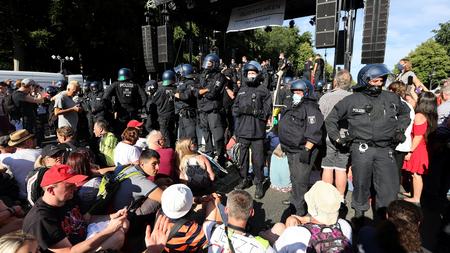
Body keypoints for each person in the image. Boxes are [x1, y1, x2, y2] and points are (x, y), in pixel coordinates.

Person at [325, 64, 411, 217]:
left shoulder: (391, 97)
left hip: (386, 150)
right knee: (361, 185)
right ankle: (359, 218)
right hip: (361, 149)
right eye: (374, 81)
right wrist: (338, 138)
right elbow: (331, 118)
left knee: (389, 189)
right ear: (365, 80)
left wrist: (399, 129)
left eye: (381, 81)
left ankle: (385, 221)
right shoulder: (352, 100)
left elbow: (406, 113)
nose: (379, 84)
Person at [22, 164, 129, 252]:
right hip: (74, 249)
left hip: (85, 237)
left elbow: (86, 219)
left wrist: (112, 216)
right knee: (117, 236)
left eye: (74, 183)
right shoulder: (42, 218)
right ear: (51, 190)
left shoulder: (69, 197)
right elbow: (69, 251)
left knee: (124, 223)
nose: (75, 187)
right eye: (69, 185)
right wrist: (110, 230)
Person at [278, 79, 324, 214]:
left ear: (306, 92)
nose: (296, 94)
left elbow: (315, 131)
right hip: (290, 149)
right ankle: (294, 200)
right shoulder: (291, 105)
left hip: (302, 150)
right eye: (294, 92)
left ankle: (300, 209)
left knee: (300, 180)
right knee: (294, 177)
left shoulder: (311, 108)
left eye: (299, 92)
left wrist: (307, 149)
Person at [272, 181, 352, 253]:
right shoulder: (344, 226)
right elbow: (323, 222)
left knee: (278, 227)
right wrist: (305, 219)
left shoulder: (294, 233)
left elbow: (275, 250)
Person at [232, 60, 272, 199]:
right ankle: (244, 179)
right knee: (241, 159)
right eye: (249, 73)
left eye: (253, 72)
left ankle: (259, 183)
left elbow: (267, 111)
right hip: (242, 131)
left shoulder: (264, 91)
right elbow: (234, 109)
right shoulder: (241, 90)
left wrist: (256, 112)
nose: (251, 75)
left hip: (257, 132)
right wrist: (242, 110)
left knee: (258, 160)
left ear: (258, 74)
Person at [203, 189, 275, 253]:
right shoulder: (263, 247)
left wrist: (216, 201)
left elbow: (207, 222)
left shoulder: (212, 229)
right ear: (252, 212)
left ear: (226, 210)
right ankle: (262, 233)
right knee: (279, 227)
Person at [319, 69, 352, 197]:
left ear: (335, 82)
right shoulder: (352, 98)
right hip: (346, 137)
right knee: (341, 168)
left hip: (328, 136)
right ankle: (340, 197)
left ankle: (327, 197)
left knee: (327, 166)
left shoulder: (326, 97)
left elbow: (320, 118)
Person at [403, 91, 437, 204]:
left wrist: (410, 151)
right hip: (422, 147)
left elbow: (417, 136)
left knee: (416, 174)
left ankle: (416, 198)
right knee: (414, 174)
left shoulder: (419, 115)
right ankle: (413, 193)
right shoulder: (430, 115)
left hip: (417, 149)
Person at [196, 53, 227, 166]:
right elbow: (196, 91)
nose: (207, 65)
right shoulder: (202, 75)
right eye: (207, 62)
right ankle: (209, 159)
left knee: (218, 137)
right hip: (203, 110)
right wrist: (205, 90)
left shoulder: (219, 76)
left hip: (214, 111)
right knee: (206, 136)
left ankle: (221, 158)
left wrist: (202, 92)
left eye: (209, 63)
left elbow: (212, 93)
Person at [111, 149, 164, 214]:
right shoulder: (140, 180)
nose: (158, 168)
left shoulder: (129, 168)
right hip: (125, 216)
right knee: (164, 189)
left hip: (113, 208)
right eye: (154, 164)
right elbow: (167, 199)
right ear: (142, 164)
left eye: (158, 163)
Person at [159, 184, 208, 252]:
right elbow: (208, 237)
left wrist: (199, 200)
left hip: (167, 247)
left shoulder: (160, 212)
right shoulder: (188, 228)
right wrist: (210, 207)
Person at [388, 81, 415, 189]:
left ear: (393, 91)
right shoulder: (408, 105)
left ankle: (392, 195)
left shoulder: (401, 106)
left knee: (392, 172)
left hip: (396, 143)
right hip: (402, 143)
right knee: (396, 171)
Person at [103, 68, 147, 135]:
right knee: (133, 131)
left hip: (121, 112)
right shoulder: (135, 85)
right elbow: (144, 97)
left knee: (121, 131)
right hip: (133, 112)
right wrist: (139, 107)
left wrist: (111, 109)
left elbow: (105, 97)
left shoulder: (115, 84)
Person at [0, 129, 41, 200]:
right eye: (32, 139)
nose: (34, 140)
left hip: (23, 196)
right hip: (42, 194)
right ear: (28, 142)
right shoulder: (41, 153)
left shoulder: (7, 158)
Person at [174, 64, 198, 145]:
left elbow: (187, 96)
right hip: (182, 114)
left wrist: (177, 94)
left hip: (189, 114)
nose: (179, 75)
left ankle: (192, 152)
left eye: (180, 73)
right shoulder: (184, 83)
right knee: (182, 137)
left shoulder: (191, 83)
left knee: (190, 136)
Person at [153, 70, 177, 148]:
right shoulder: (175, 89)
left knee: (165, 136)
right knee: (172, 134)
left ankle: (168, 151)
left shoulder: (160, 90)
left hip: (163, 117)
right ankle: (172, 150)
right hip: (173, 116)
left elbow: (153, 101)